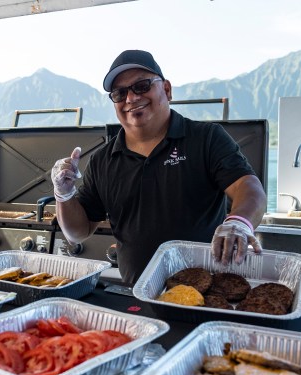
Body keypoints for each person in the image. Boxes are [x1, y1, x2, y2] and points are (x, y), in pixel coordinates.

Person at [52, 50, 267, 285]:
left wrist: (239, 222)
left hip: (208, 293)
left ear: (166, 89)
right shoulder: (103, 160)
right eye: (119, 93)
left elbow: (248, 187)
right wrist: (64, 194)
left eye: (142, 86)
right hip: (138, 295)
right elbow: (79, 231)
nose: (131, 98)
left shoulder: (206, 138)